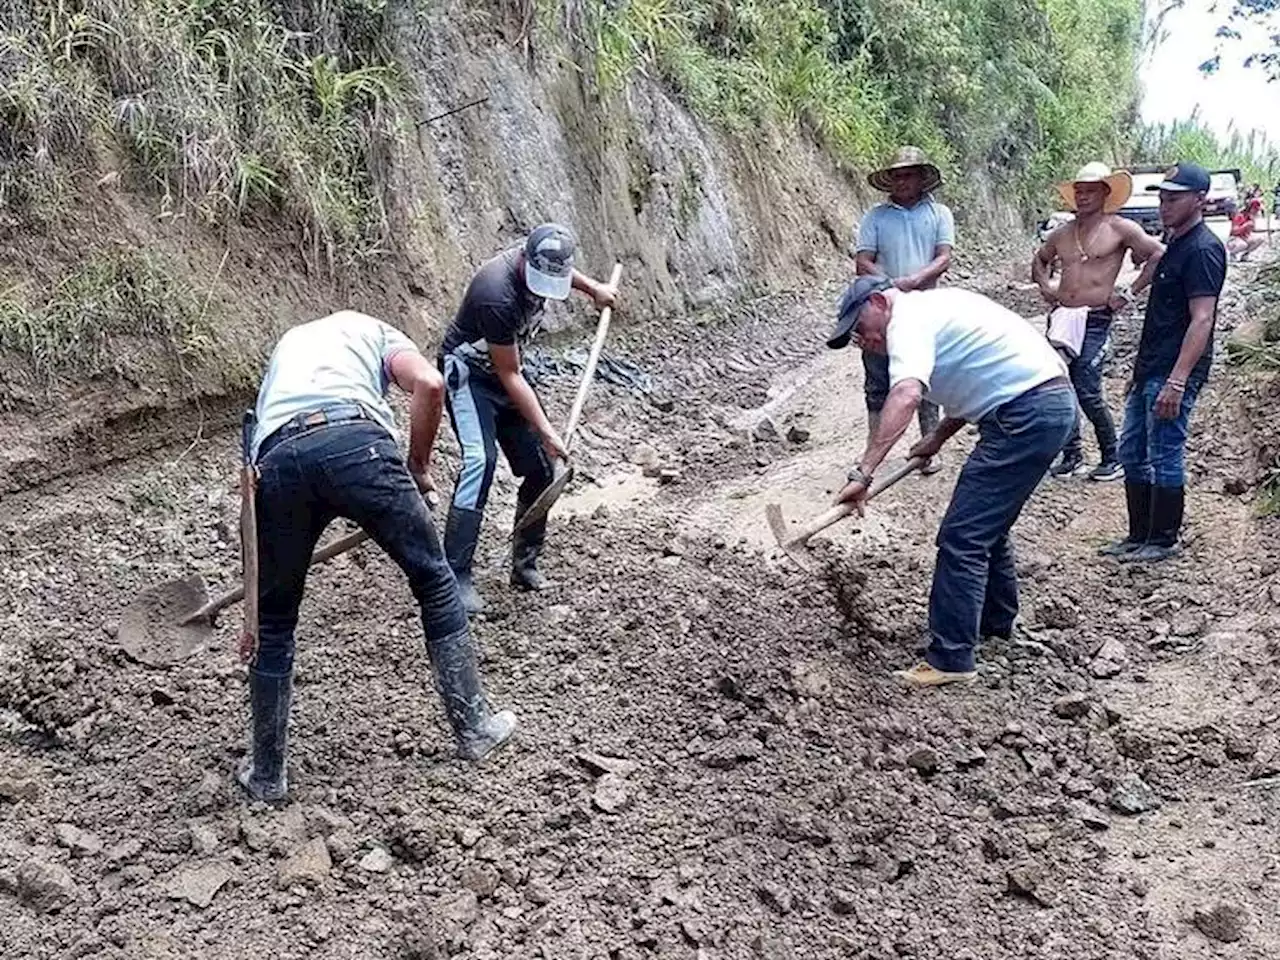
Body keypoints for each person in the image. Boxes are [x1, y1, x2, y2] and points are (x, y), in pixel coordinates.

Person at [239, 311, 517, 802]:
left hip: (277, 461)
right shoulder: (376, 332)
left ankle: (267, 775)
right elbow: (430, 384)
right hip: (356, 444)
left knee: (277, 618)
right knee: (434, 580)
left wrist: (252, 617)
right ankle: (474, 728)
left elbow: (252, 474)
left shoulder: (287, 347)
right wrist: (417, 467)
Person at [827, 278, 1075, 687]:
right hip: (1037, 406)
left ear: (877, 301)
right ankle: (993, 628)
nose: (862, 339)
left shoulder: (907, 320)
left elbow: (906, 394)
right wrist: (937, 437)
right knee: (985, 529)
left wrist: (863, 473)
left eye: (860, 327)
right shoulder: (935, 309)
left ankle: (951, 659)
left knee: (962, 538)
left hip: (1026, 415)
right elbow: (982, 375)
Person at [439, 224, 618, 614]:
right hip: (470, 375)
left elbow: (563, 273)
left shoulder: (547, 263)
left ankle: (525, 565)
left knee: (542, 467)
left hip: (505, 371)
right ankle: (456, 578)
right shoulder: (495, 294)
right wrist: (548, 429)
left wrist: (594, 291)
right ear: (525, 260)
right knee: (478, 463)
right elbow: (510, 374)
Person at [1102, 162, 1227, 563]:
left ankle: (1163, 539)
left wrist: (1177, 381)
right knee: (1132, 449)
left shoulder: (1204, 249)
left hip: (1174, 369)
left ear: (1200, 200)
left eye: (1174, 198)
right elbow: (1156, 286)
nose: (1164, 205)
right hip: (1152, 366)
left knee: (1164, 450)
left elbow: (1202, 318)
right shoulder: (1175, 242)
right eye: (1161, 197)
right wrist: (1140, 371)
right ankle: (1139, 534)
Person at [1032, 163, 1165, 482]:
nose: (1083, 196)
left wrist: (1129, 293)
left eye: (1090, 190)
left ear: (1105, 193)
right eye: (1079, 191)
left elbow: (1157, 254)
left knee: (1088, 388)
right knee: (1058, 384)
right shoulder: (1062, 233)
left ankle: (1111, 455)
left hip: (1095, 318)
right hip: (1062, 316)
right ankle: (1072, 454)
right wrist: (1045, 287)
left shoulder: (1120, 228)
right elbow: (1040, 259)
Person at [853, 146, 956, 475]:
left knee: (925, 377)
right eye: (897, 175)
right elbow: (862, 260)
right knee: (877, 376)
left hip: (926, 304)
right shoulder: (875, 217)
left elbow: (943, 258)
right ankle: (874, 450)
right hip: (883, 307)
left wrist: (914, 280)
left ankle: (928, 447)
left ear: (922, 178)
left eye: (908, 174)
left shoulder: (940, 214)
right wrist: (890, 285)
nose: (902, 181)